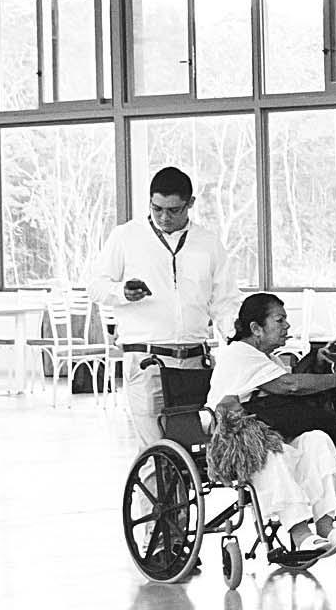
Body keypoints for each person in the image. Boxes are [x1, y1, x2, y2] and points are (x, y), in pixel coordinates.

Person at [208, 293, 336, 559]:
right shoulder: (239, 353)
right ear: (256, 328)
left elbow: (291, 386)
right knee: (271, 452)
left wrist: (318, 361)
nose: (287, 326)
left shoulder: (269, 359)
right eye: (279, 320)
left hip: (274, 430)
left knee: (317, 440)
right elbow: (289, 385)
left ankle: (327, 527)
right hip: (238, 438)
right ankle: (300, 534)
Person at [91, 167, 238, 450]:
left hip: (194, 362)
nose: (163, 218)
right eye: (156, 209)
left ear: (190, 203)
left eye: (173, 210)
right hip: (146, 360)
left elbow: (225, 300)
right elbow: (95, 286)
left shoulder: (208, 243)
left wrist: (237, 338)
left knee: (190, 447)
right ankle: (153, 481)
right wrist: (122, 292)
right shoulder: (126, 236)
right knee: (156, 449)